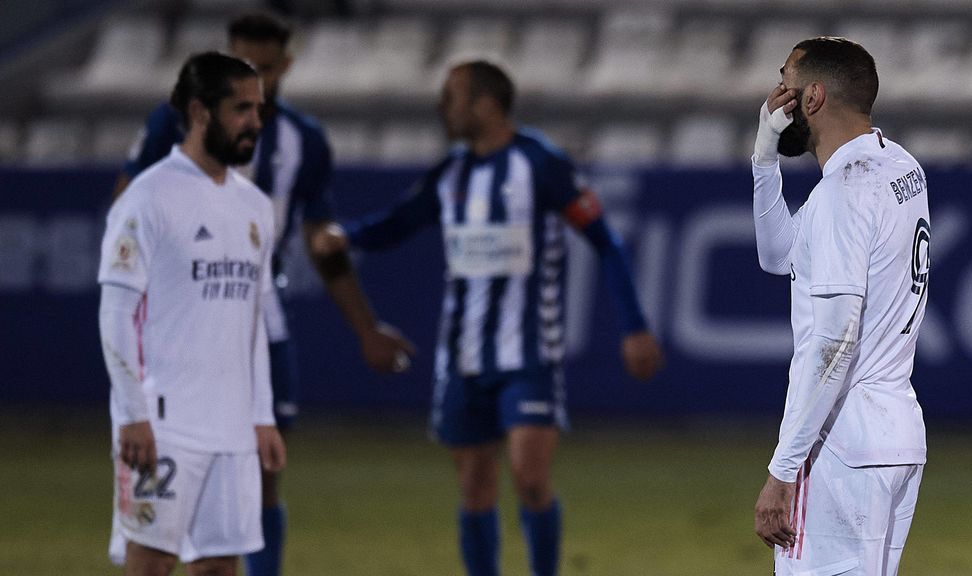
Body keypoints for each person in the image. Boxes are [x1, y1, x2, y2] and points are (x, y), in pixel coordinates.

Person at [113, 12, 414, 576]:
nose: (256, 83)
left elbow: (322, 245)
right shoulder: (172, 125)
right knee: (155, 538)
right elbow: (129, 205)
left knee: (259, 479)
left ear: (286, 67)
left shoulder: (304, 142)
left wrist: (366, 328)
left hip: (255, 316)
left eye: (265, 71)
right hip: (180, 334)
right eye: (243, 66)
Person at [342, 60, 663, 576]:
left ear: (485, 104)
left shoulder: (541, 164)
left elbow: (606, 241)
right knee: (474, 486)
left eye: (452, 96)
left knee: (530, 480)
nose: (442, 108)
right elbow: (396, 225)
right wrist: (344, 236)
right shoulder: (451, 172)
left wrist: (634, 326)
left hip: (528, 354)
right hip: (461, 354)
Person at [98, 51, 285, 576]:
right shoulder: (149, 197)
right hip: (164, 423)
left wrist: (262, 415)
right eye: (241, 109)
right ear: (201, 111)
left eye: (260, 108)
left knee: (220, 568)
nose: (255, 122)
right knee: (152, 564)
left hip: (231, 428)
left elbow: (254, 321)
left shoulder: (254, 207)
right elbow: (116, 311)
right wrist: (132, 413)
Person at [750, 37, 929, 575]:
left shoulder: (842, 194)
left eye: (786, 80)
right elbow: (779, 254)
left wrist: (783, 471)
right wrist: (763, 159)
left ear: (813, 98)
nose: (775, 95)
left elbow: (834, 344)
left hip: (843, 446)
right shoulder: (898, 167)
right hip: (896, 436)